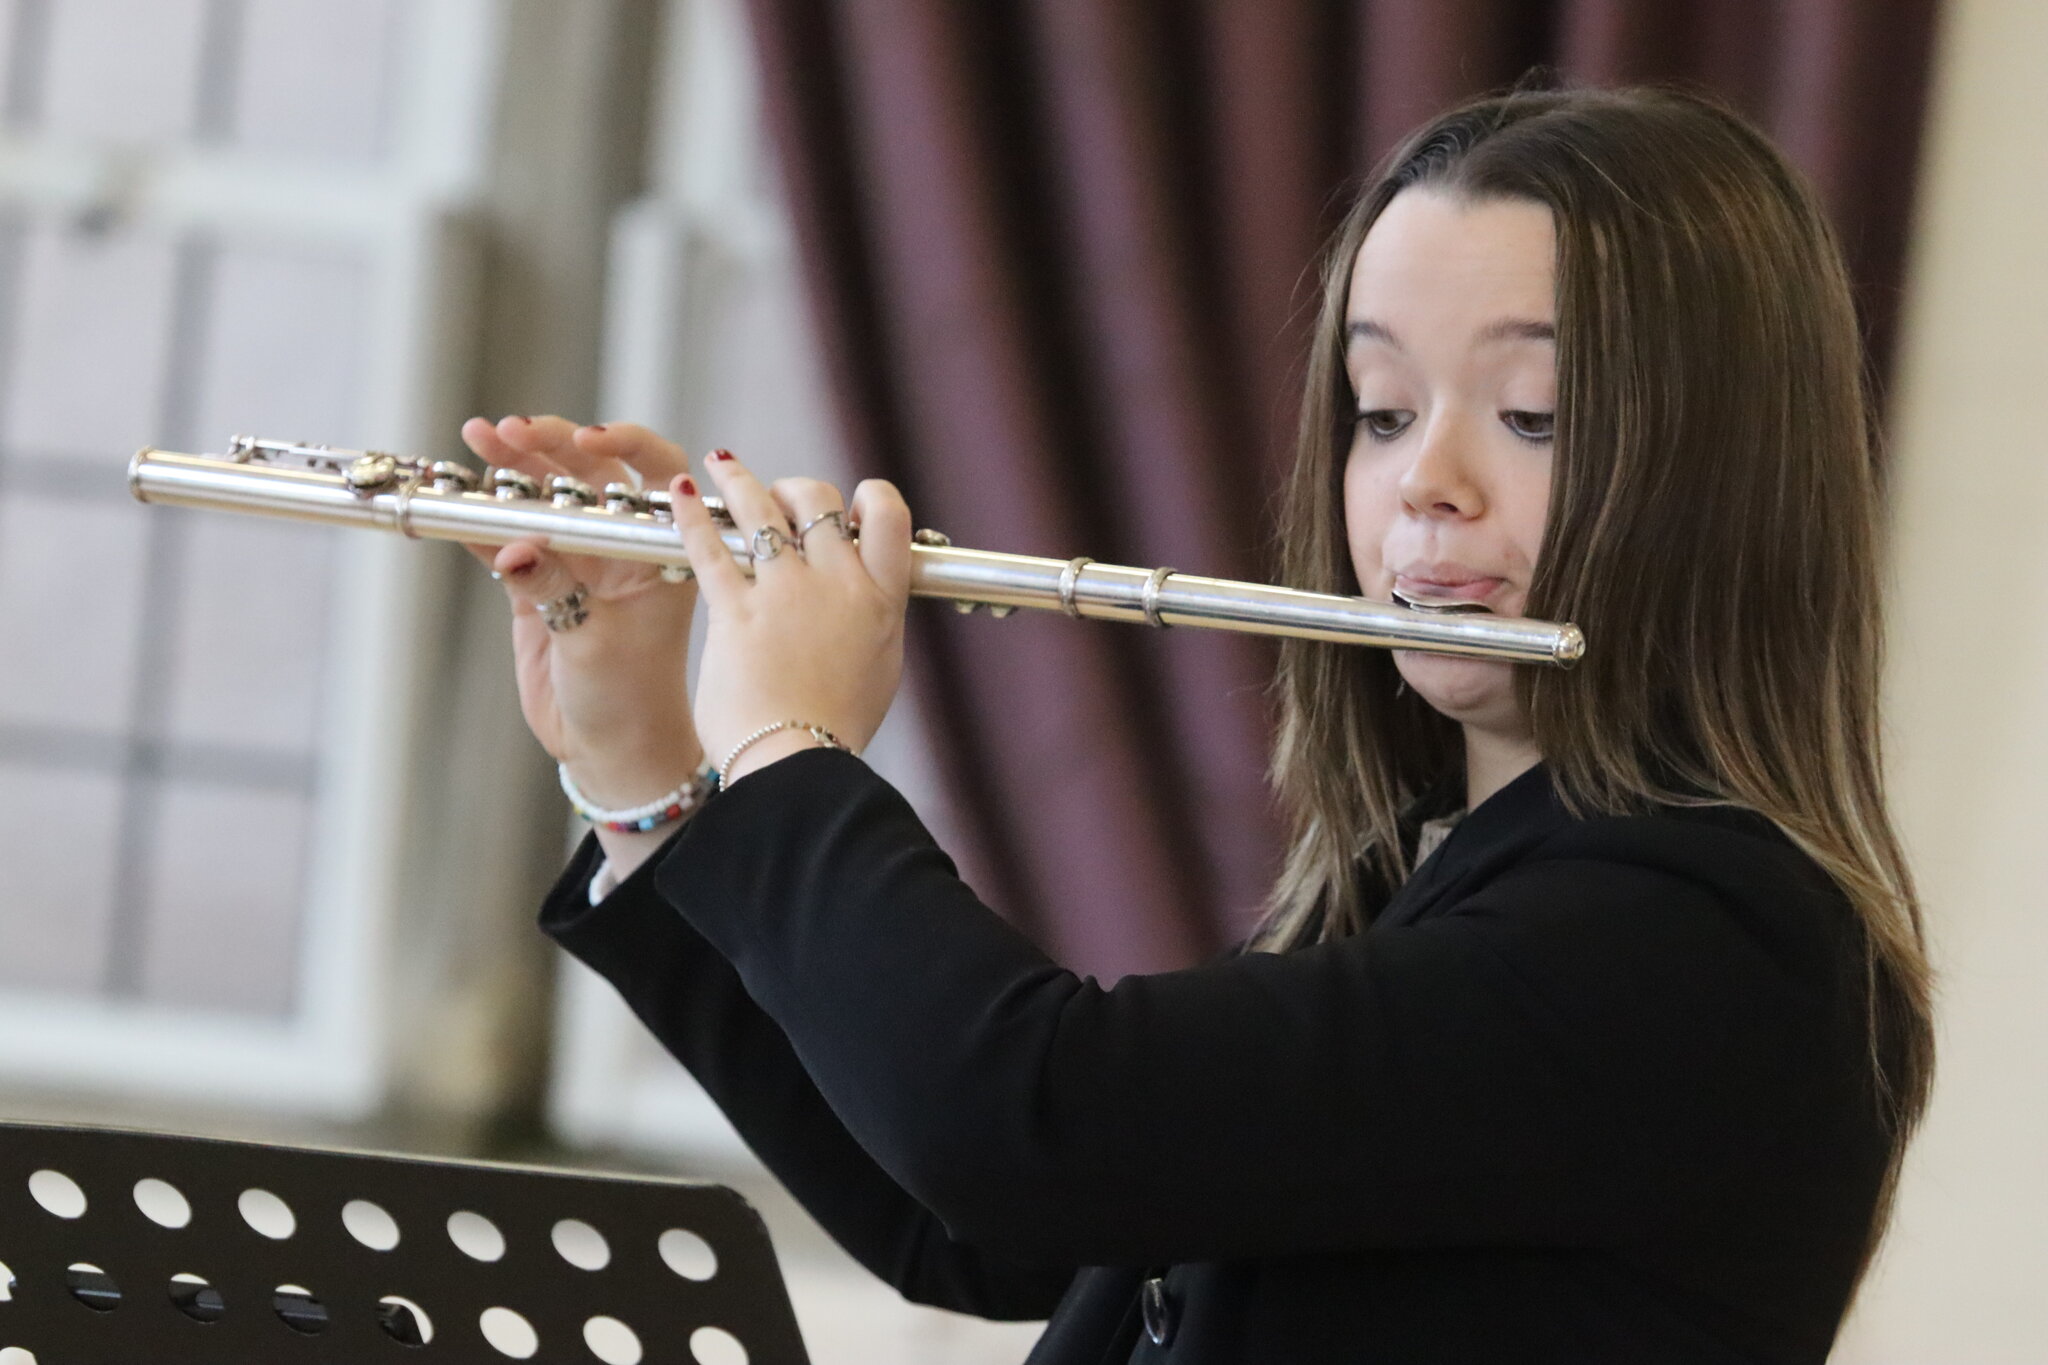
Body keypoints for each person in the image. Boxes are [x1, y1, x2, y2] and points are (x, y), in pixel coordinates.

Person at [460, 86, 1932, 1364]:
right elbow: (966, 1226)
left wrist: (790, 745)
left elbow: (1033, 1123)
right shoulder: (1437, 882)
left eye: (1532, 415)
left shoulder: (1703, 940)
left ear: (1721, 477)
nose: (1428, 483)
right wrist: (646, 758)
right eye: (1381, 409)